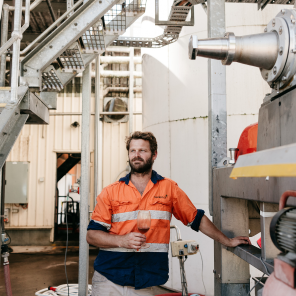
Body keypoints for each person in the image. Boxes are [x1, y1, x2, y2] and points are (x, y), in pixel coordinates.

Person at [86, 131, 251, 296]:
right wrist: (122, 240)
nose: (136, 155)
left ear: (154, 154)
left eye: (142, 150)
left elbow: (196, 219)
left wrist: (227, 241)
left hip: (145, 282)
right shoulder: (110, 192)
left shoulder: (169, 188)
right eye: (132, 151)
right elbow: (92, 235)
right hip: (109, 279)